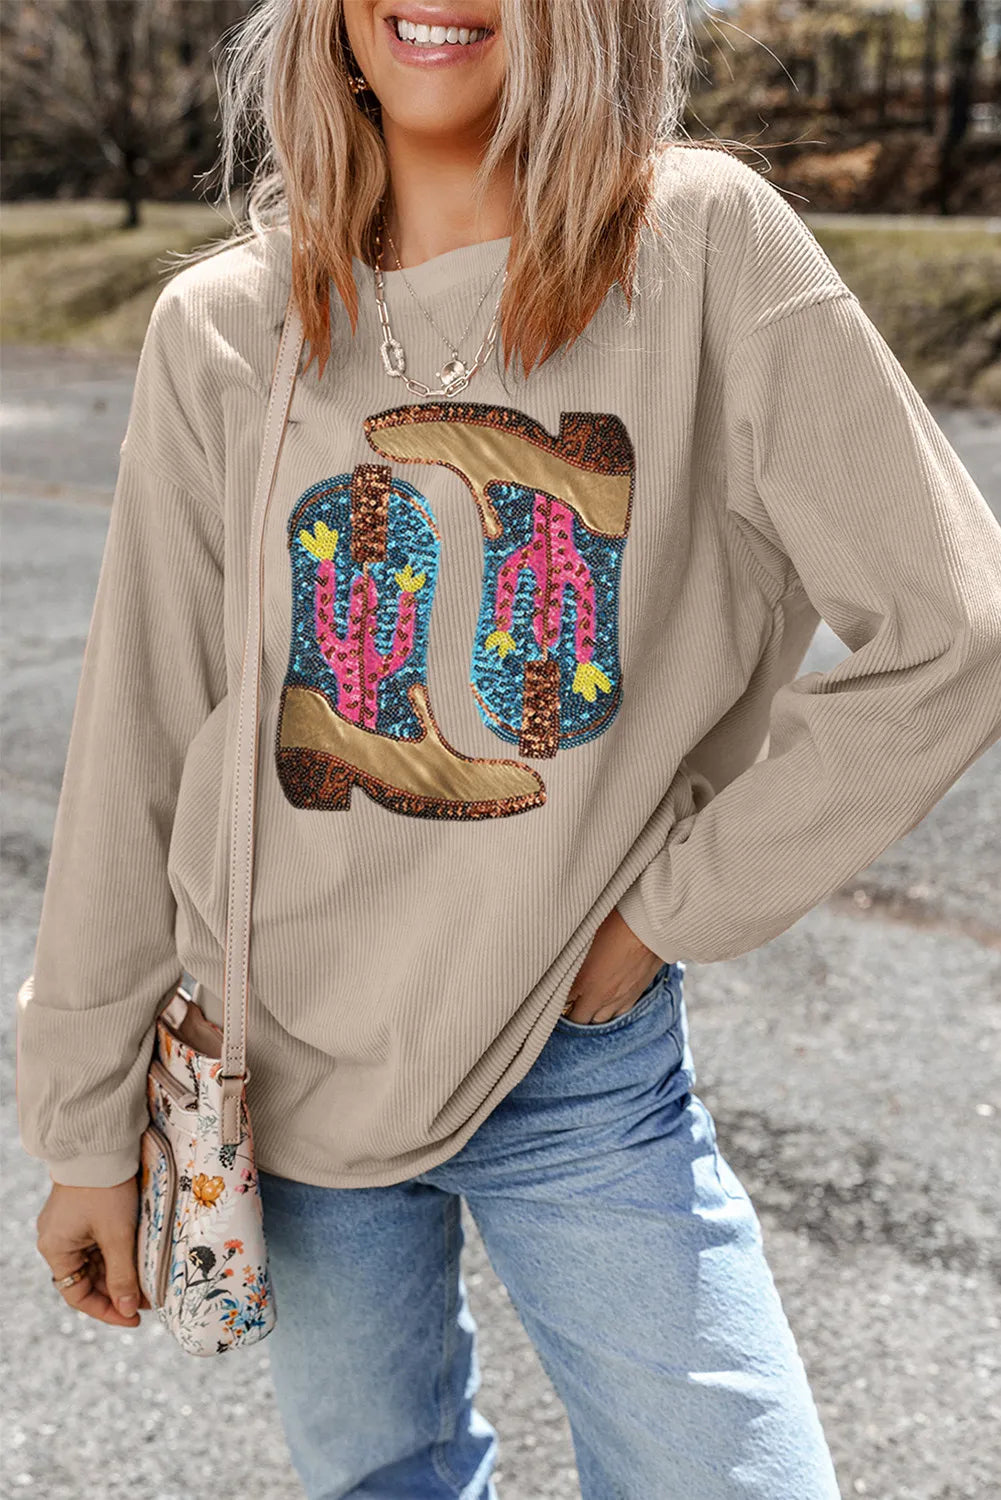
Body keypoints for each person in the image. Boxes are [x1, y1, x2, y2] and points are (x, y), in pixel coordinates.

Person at [16, 2, 1001, 1496]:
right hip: (280, 1064)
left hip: (574, 1070)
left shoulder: (700, 248)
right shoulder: (222, 324)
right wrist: (85, 1123)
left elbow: (953, 628)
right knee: (383, 1479)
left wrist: (664, 913)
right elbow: (138, 738)